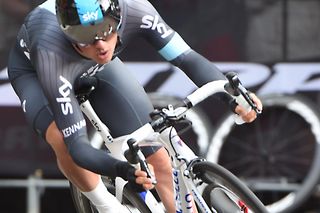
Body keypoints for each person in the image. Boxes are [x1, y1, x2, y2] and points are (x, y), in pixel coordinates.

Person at [7, 0, 263, 212]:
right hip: (38, 74)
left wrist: (232, 96)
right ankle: (106, 205)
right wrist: (123, 170)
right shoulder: (50, 49)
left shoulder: (136, 8)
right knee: (61, 137)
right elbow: (78, 147)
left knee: (159, 159)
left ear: (117, 17)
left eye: (106, 29)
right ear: (68, 33)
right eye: (85, 36)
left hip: (99, 69)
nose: (99, 43)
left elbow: (186, 58)